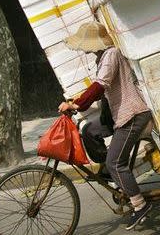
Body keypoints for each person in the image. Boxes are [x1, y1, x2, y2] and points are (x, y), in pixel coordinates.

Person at [57, 21, 153, 230]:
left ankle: (140, 206)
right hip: (119, 116)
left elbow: (100, 86)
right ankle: (112, 174)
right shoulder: (103, 57)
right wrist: (76, 101)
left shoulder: (111, 54)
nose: (85, 49)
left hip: (133, 115)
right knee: (89, 130)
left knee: (115, 162)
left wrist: (77, 104)